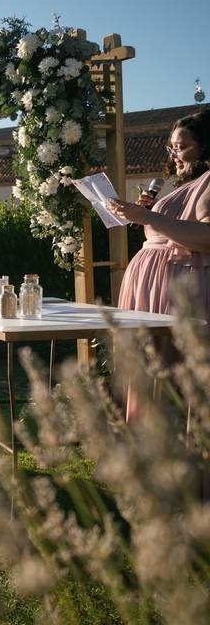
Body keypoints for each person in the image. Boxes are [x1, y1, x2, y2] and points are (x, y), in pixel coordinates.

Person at [108, 109, 210, 422]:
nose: (173, 154)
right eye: (171, 147)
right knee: (149, 368)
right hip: (153, 291)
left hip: (180, 292)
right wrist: (147, 214)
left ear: (205, 145)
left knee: (172, 373)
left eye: (180, 146)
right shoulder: (184, 184)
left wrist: (150, 217)